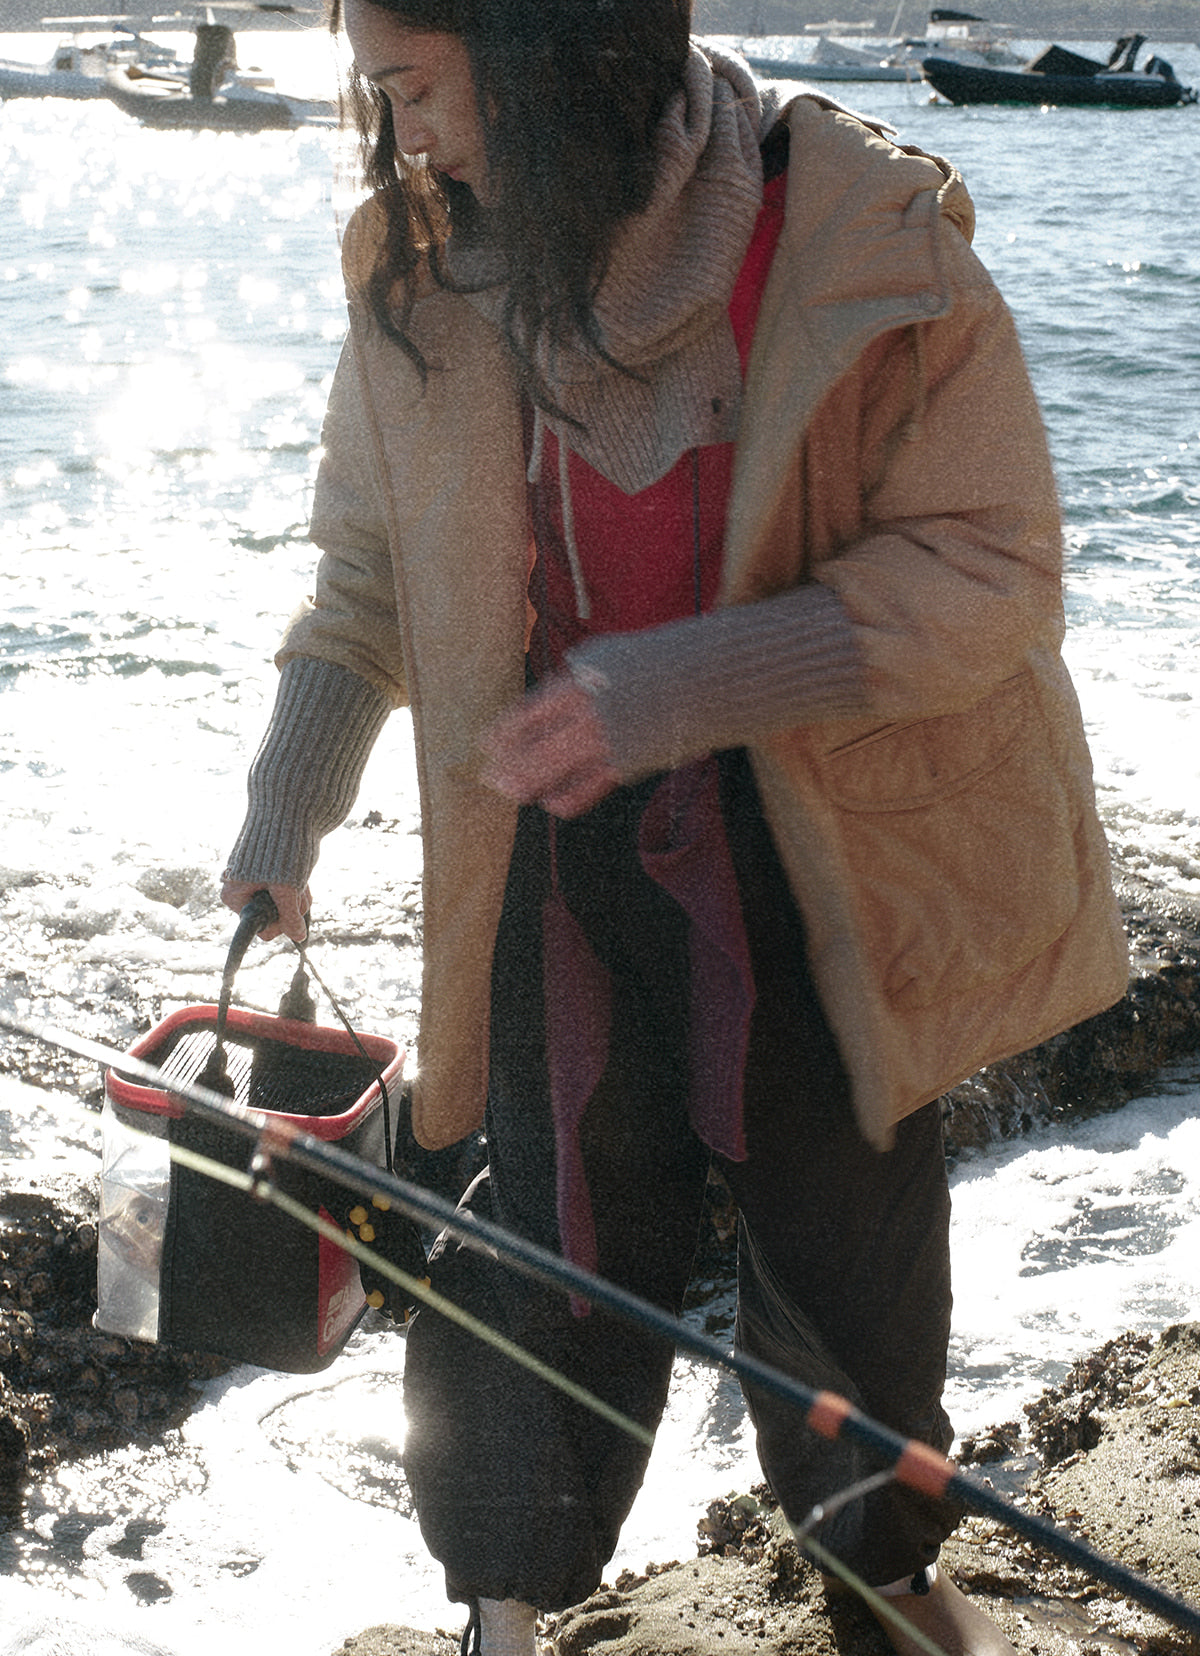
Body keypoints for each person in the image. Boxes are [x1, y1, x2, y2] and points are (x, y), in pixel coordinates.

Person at [221, 2, 1128, 1651]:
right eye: (378, 98)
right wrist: (289, 803)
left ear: (547, 53)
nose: (403, 139)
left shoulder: (856, 231)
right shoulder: (424, 266)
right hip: (550, 855)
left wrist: (673, 689)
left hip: (820, 852)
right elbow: (365, 577)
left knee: (845, 1285)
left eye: (416, 90)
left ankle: (892, 1595)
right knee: (533, 1250)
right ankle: (503, 1623)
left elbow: (993, 571)